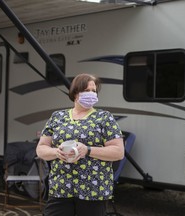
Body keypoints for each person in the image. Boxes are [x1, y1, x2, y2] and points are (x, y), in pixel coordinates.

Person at [36, 73, 124, 216]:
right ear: (75, 92)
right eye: (86, 90)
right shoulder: (58, 117)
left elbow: (118, 152)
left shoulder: (104, 118)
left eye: (94, 91)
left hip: (93, 190)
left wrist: (87, 150)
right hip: (61, 188)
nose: (91, 94)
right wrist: (56, 153)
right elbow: (41, 149)